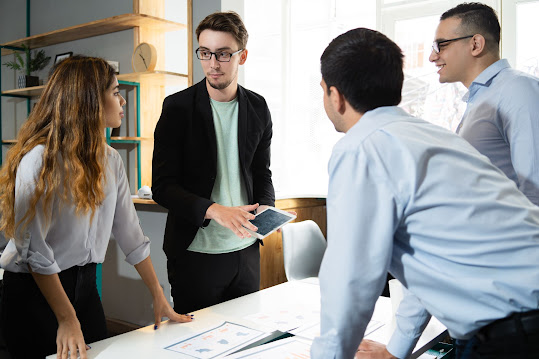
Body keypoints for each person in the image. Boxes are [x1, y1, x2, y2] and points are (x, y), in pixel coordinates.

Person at [310, 28, 539, 359]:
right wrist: (397, 350)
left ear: (335, 96)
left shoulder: (361, 147)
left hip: (516, 334)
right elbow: (431, 264)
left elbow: (350, 279)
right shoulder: (435, 138)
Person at [0, 56, 192, 359]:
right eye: (115, 92)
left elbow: (131, 235)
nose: (122, 101)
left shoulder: (111, 159)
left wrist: (159, 295)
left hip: (84, 286)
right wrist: (66, 318)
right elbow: (35, 251)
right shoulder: (38, 161)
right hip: (34, 291)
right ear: (89, 100)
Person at [152, 11, 275, 314]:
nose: (212, 64)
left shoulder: (258, 106)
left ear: (241, 56)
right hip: (196, 251)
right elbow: (163, 187)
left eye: (222, 54)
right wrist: (213, 210)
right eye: (205, 53)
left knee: (244, 339)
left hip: (245, 251)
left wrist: (267, 208)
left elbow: (262, 172)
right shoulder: (177, 108)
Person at [429, 3, 539, 205]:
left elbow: (535, 189)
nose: (432, 57)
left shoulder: (517, 89)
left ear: (475, 45)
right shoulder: (481, 98)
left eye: (441, 45)